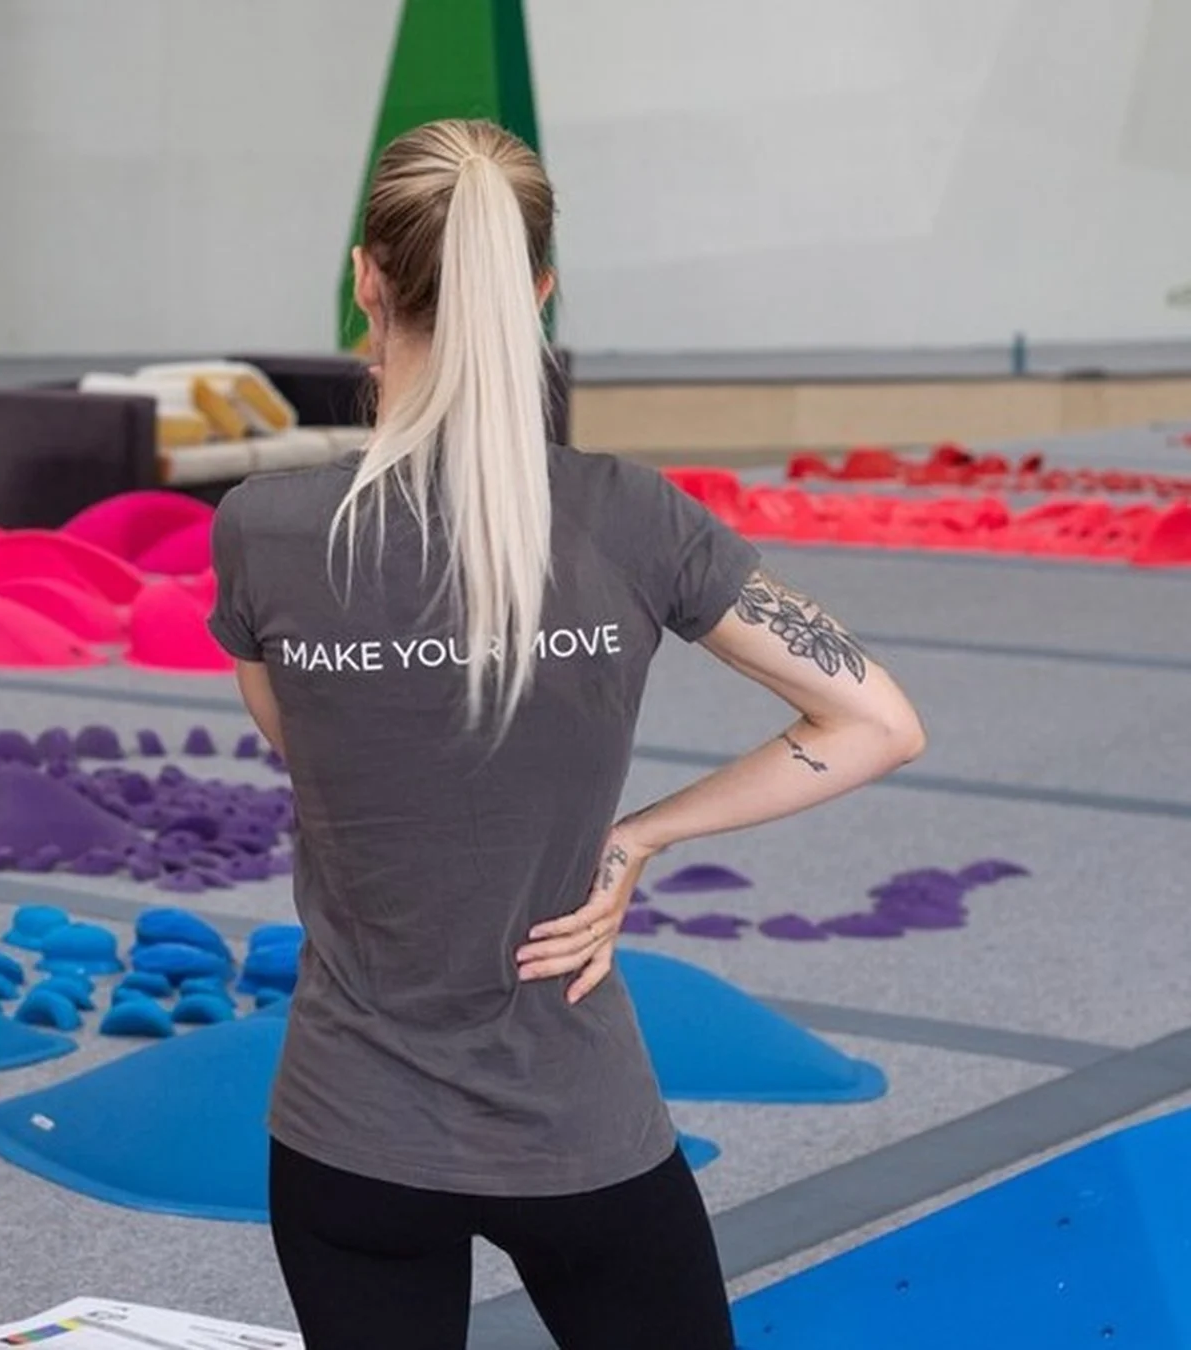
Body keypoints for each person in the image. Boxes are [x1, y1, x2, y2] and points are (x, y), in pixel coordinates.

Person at [206, 118, 926, 1350]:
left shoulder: (263, 532)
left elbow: (313, 755)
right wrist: (635, 839)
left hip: (350, 1136)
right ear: (539, 286)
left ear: (366, 279)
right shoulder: (630, 518)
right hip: (577, 1131)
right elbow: (877, 721)